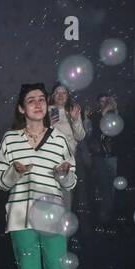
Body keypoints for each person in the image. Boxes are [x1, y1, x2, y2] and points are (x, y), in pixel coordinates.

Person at [0, 83, 87, 269]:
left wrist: (64, 173)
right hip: (20, 218)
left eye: (41, 100)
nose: (37, 104)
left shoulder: (59, 139)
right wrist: (13, 172)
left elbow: (70, 182)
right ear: (22, 109)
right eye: (30, 100)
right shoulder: (10, 140)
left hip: (51, 215)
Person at [49, 83, 87, 211]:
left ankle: (62, 227)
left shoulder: (72, 111)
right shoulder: (47, 110)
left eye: (63, 93)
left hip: (67, 162)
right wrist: (47, 124)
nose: (60, 95)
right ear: (53, 96)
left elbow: (80, 136)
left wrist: (76, 120)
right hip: (48, 160)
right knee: (48, 197)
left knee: (65, 199)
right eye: (57, 92)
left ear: (67, 96)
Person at [88, 92, 122, 231]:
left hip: (112, 156)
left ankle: (109, 215)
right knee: (103, 187)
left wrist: (114, 111)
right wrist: (104, 113)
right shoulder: (94, 116)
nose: (104, 104)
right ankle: (104, 216)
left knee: (112, 187)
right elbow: (95, 131)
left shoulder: (114, 115)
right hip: (99, 156)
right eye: (101, 101)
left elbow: (118, 132)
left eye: (106, 101)